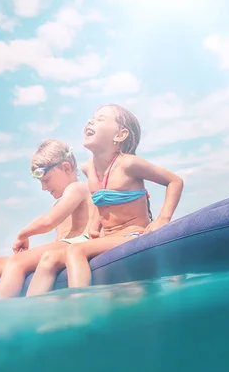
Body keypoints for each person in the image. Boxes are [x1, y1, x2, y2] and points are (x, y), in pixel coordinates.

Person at [26, 104, 184, 296]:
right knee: (48, 259)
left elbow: (174, 181)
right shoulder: (88, 168)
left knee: (75, 251)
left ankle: (80, 307)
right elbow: (101, 203)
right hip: (107, 237)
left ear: (120, 135)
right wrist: (93, 228)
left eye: (100, 119)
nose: (90, 121)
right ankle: (31, 312)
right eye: (92, 117)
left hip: (132, 234)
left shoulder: (129, 164)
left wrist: (162, 220)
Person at [0, 139, 94, 303]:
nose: (44, 188)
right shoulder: (60, 200)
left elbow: (48, 221)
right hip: (62, 246)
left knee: (17, 261)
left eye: (46, 180)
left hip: (76, 244)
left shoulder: (78, 188)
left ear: (66, 167)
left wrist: (23, 235)